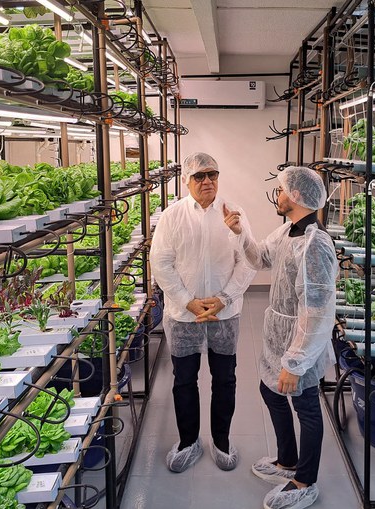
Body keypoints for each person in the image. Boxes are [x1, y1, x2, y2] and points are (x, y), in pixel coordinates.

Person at [223, 166, 337, 509]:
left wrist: (296, 362)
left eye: (281, 190)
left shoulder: (315, 244)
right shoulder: (289, 231)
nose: (278, 196)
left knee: (306, 406)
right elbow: (261, 257)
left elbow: (316, 311)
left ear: (297, 196)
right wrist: (241, 232)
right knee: (269, 390)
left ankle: (305, 480)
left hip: (302, 341)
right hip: (280, 334)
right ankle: (287, 461)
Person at [150, 152, 256, 473]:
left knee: (225, 379)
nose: (207, 181)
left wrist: (224, 298)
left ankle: (221, 441)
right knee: (184, 380)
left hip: (224, 314)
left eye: (213, 174)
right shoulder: (172, 216)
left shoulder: (233, 213)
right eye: (200, 176)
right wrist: (188, 301)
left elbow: (248, 261)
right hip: (185, 316)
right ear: (186, 180)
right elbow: (161, 263)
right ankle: (188, 441)